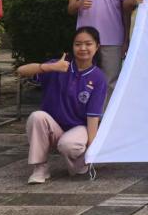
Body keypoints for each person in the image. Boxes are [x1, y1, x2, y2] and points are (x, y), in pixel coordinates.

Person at [16, 27, 108, 184]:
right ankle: (40, 168)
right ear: (72, 46)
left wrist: (92, 150)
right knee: (37, 117)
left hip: (79, 129)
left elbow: (93, 117)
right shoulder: (58, 66)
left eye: (88, 44)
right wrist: (49, 67)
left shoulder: (98, 77)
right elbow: (21, 70)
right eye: (78, 44)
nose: (83, 48)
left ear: (97, 46)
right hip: (54, 127)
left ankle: (80, 165)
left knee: (68, 145)